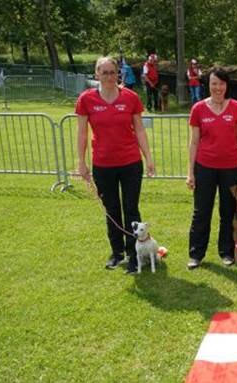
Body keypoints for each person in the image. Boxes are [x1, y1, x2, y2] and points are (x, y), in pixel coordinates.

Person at [76, 56, 155, 274]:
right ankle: (117, 252)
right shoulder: (86, 100)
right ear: (97, 74)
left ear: (118, 74)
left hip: (130, 163)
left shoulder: (131, 98)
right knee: (111, 210)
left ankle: (134, 254)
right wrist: (81, 163)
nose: (110, 76)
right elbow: (82, 133)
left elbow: (139, 129)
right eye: (105, 72)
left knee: (131, 209)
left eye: (113, 72)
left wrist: (148, 158)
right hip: (102, 165)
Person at [186, 66, 237, 270]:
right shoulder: (198, 108)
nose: (218, 87)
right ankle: (196, 254)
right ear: (208, 85)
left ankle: (227, 251)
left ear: (226, 85)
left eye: (221, 83)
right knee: (201, 212)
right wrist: (190, 172)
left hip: (231, 168)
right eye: (214, 83)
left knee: (228, 211)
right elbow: (194, 142)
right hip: (205, 167)